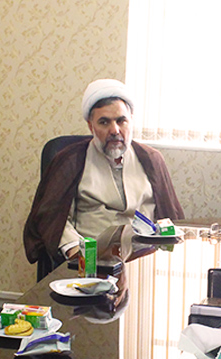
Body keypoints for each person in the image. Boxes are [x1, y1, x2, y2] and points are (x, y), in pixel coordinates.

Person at [23, 79, 184, 268]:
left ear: (131, 121)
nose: (114, 130)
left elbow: (169, 217)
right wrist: (76, 252)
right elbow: (54, 220)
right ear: (91, 126)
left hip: (143, 261)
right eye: (104, 122)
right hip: (90, 263)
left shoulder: (151, 159)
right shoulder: (70, 161)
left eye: (121, 121)